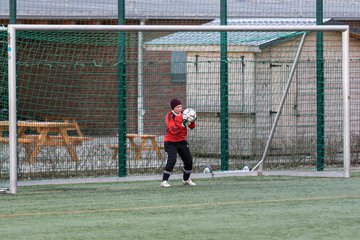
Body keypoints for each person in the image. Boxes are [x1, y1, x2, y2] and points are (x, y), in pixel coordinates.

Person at [161, 98, 196, 187]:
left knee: (188, 161)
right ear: (173, 108)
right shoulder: (169, 116)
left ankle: (186, 179)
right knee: (172, 159)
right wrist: (183, 124)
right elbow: (173, 130)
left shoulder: (185, 114)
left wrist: (192, 120)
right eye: (177, 107)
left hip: (182, 141)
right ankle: (164, 181)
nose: (179, 108)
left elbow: (192, 127)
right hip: (170, 142)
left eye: (180, 106)